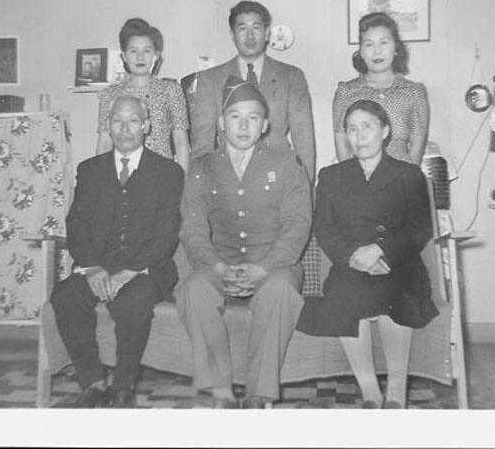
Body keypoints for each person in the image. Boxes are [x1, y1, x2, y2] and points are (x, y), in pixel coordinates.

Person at [177, 77, 312, 409]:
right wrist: (218, 267)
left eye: (253, 117)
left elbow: (297, 225)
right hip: (220, 263)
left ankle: (259, 393)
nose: (243, 125)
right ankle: (220, 389)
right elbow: (192, 230)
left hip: (274, 265)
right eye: (235, 116)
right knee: (194, 288)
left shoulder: (286, 164)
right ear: (222, 123)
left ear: (265, 125)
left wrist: (263, 268)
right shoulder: (201, 168)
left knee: (280, 291)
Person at [297, 99, 438, 409]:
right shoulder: (332, 176)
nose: (359, 135)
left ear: (385, 131)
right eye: (352, 128)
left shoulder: (409, 174)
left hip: (398, 261)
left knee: (395, 292)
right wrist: (352, 256)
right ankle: (371, 391)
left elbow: (419, 229)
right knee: (345, 293)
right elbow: (325, 229)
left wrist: (380, 249)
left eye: (368, 127)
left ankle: (397, 389)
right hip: (351, 262)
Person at [52, 95, 184, 408]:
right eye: (117, 121)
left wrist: (130, 272)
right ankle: (93, 384)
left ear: (147, 126)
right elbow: (77, 223)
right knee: (65, 296)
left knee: (133, 303)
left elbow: (167, 233)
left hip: (145, 270)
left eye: (133, 121)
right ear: (108, 127)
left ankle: (124, 388)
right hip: (97, 267)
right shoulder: (90, 170)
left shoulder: (168, 172)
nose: (125, 128)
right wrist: (92, 267)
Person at [189, 0, 315, 182]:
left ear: (266, 34)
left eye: (256, 28)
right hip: (227, 181)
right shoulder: (210, 80)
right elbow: (202, 144)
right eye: (242, 29)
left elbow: (304, 141)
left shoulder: (291, 77)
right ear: (232, 35)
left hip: (279, 178)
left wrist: (304, 190)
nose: (250, 36)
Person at [333, 12, 429, 165]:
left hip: (400, 181)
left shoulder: (414, 92)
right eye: (369, 44)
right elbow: (342, 148)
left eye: (383, 43)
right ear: (361, 52)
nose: (377, 51)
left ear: (396, 48)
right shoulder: (346, 92)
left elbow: (416, 149)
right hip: (358, 180)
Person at [96, 18, 190, 173]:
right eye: (133, 51)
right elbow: (105, 143)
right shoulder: (109, 95)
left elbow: (180, 141)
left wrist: (182, 181)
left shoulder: (171, 91)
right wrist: (102, 180)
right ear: (124, 56)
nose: (140, 57)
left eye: (146, 51)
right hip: (122, 174)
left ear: (156, 55)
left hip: (161, 175)